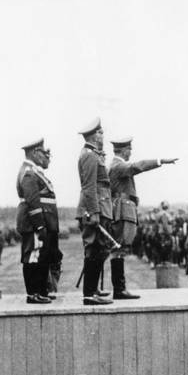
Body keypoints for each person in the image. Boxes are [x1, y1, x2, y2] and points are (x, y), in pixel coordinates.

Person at [107, 135, 177, 299]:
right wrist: (161, 161)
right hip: (122, 211)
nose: (130, 152)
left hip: (124, 209)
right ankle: (119, 289)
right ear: (124, 150)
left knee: (120, 249)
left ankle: (120, 288)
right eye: (129, 149)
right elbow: (139, 166)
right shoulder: (118, 165)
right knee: (119, 249)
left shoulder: (117, 165)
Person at [16, 138, 60, 304]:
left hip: (42, 221)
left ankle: (41, 291)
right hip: (34, 222)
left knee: (41, 256)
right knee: (33, 257)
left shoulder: (34, 171)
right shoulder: (29, 172)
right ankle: (33, 293)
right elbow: (33, 201)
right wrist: (40, 225)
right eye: (42, 152)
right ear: (34, 152)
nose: (44, 155)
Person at [76, 117, 114, 305]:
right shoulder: (90, 155)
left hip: (99, 206)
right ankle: (89, 294)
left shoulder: (93, 154)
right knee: (94, 249)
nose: (102, 135)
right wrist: (95, 212)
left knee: (99, 249)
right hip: (94, 208)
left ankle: (93, 290)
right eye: (100, 132)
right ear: (93, 135)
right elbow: (89, 186)